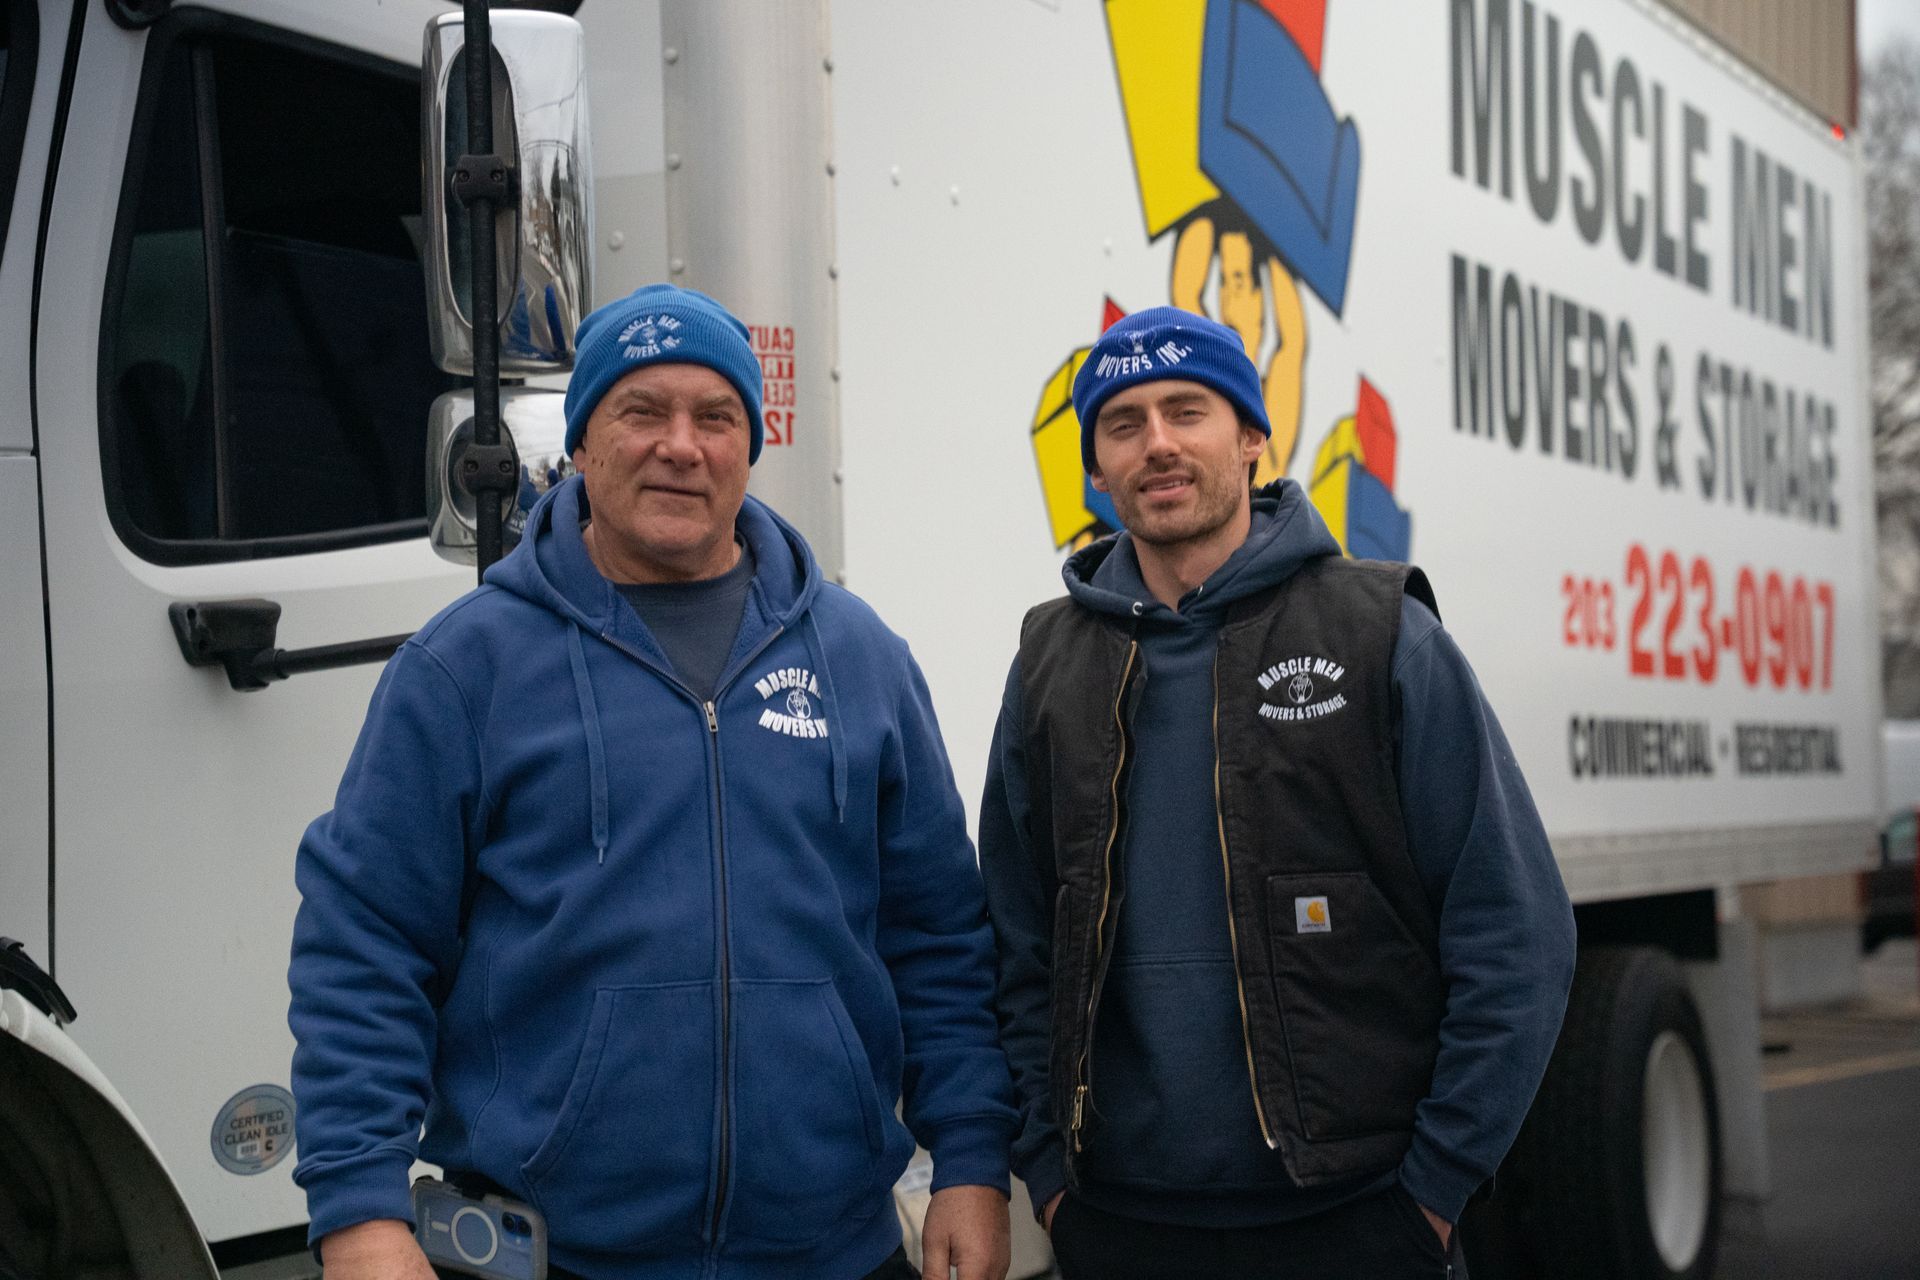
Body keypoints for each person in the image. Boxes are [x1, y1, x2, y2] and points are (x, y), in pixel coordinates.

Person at [289, 284, 1016, 1280]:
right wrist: (360, 1211)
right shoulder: (468, 667)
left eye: (716, 416)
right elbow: (365, 942)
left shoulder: (859, 657)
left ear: (749, 447)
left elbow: (937, 937)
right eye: (643, 411)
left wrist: (970, 1159)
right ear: (583, 444)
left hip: (832, 1252)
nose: (683, 444)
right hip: (547, 1256)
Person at [977, 306, 1577, 1279]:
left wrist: (1432, 1187)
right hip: (1121, 1223)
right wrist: (1045, 1168)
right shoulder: (1049, 661)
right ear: (1095, 464)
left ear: (1253, 436)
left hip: (1356, 1215)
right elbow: (1011, 941)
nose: (1158, 441)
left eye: (1188, 410)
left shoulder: (1380, 630)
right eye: (1123, 422)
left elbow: (1515, 927)